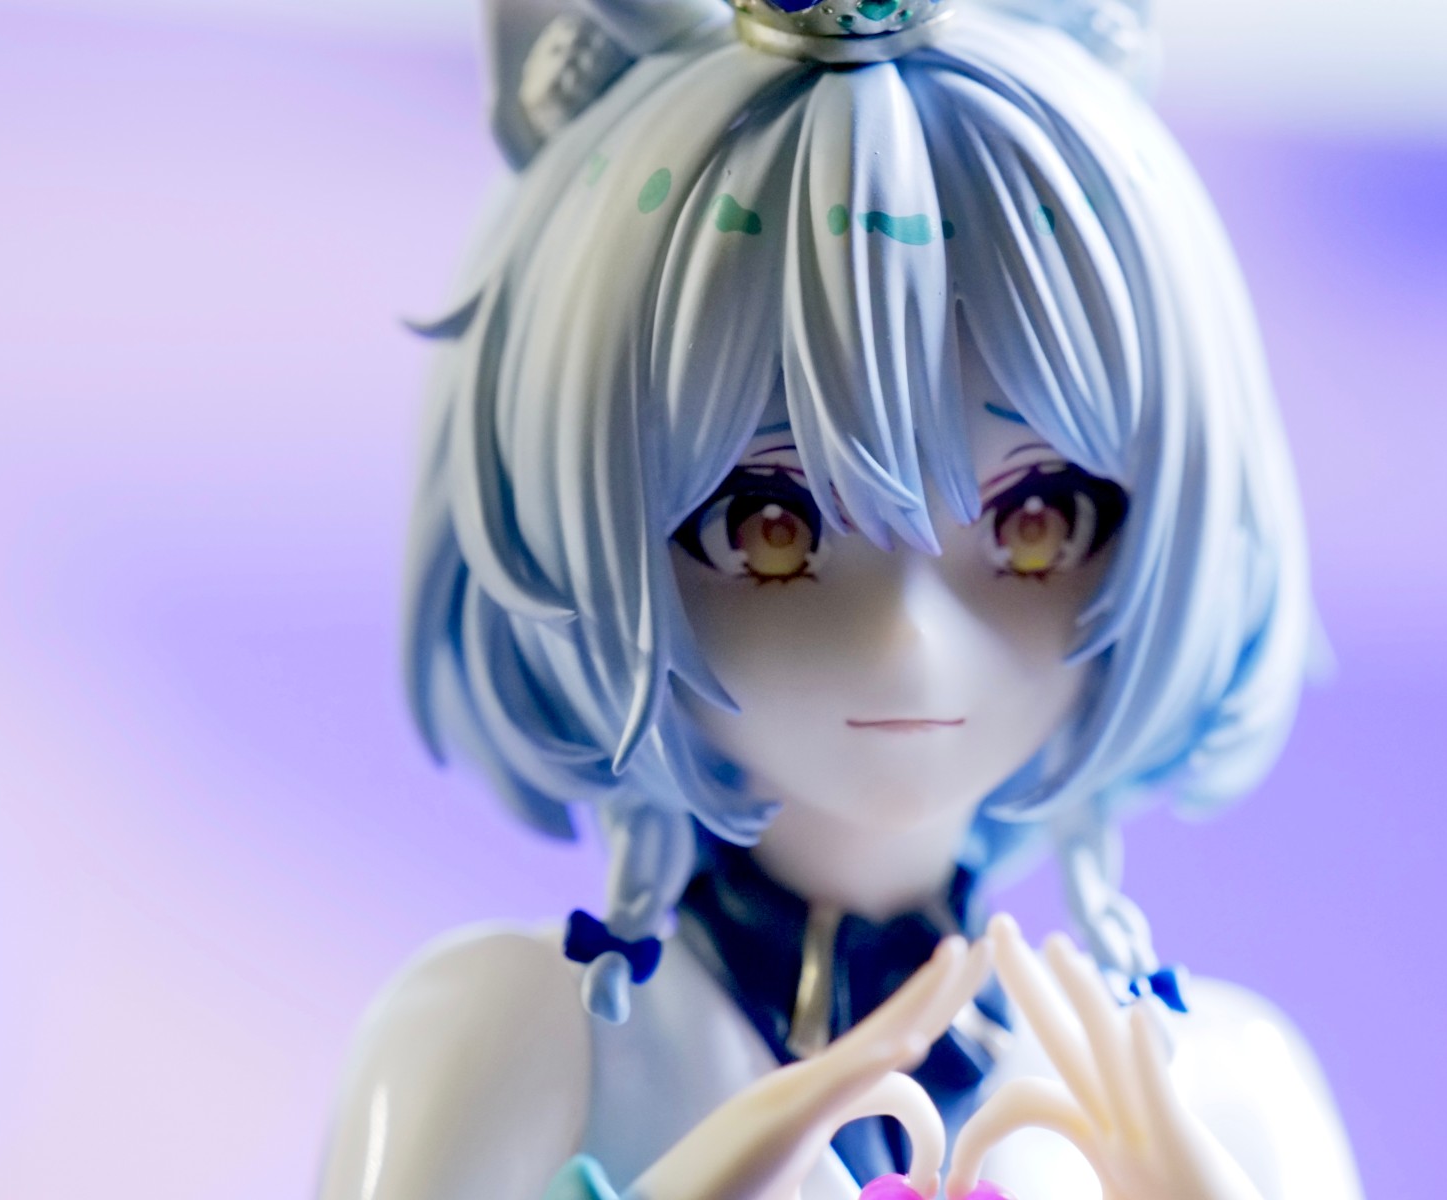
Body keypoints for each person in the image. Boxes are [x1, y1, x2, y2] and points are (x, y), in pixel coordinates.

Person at [319, 0, 1363, 1194]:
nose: (912, 638)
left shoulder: (1224, 1091)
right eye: (769, 529)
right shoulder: (505, 1043)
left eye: (1036, 522)